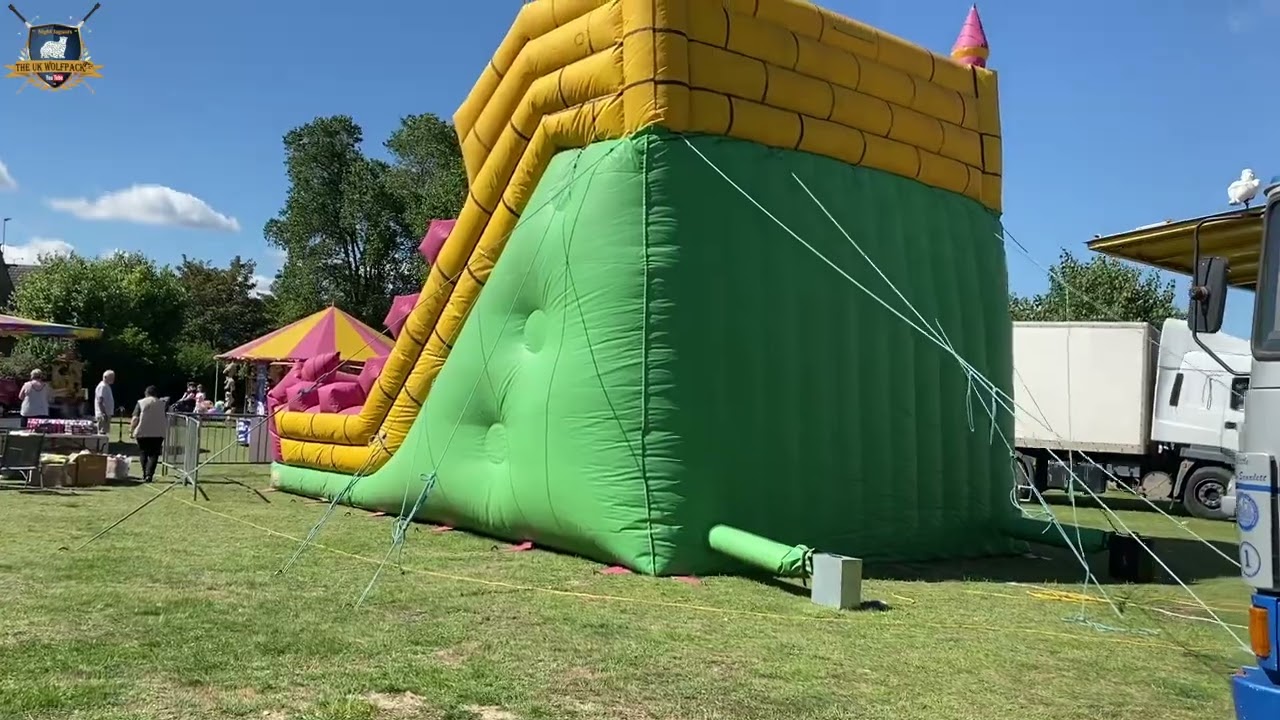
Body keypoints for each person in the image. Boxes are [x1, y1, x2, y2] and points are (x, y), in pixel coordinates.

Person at [131, 385, 168, 483]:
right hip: (158, 432)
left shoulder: (140, 402)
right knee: (154, 454)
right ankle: (149, 475)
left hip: (143, 431)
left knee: (143, 452)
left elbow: (135, 418)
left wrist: (132, 429)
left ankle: (144, 473)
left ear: (146, 393)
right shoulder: (162, 404)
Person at [94, 370, 115, 435]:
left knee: (105, 431)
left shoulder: (106, 386)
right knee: (102, 432)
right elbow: (100, 401)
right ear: (105, 377)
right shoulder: (102, 386)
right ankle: (101, 445)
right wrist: (103, 413)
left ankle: (104, 444)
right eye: (111, 377)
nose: (113, 379)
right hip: (103, 414)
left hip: (106, 413)